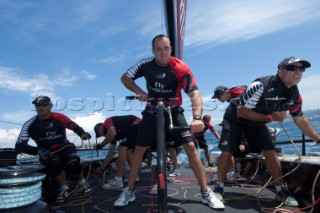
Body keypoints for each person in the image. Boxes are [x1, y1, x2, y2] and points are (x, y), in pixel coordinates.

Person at [115, 34, 224, 210]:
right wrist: (140, 91)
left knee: (190, 146)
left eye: (166, 48)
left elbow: (195, 93)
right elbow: (125, 78)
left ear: (171, 49)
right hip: (152, 110)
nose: (162, 52)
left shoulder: (180, 67)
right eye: (158, 49)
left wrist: (197, 118)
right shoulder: (145, 64)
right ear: (153, 51)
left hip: (173, 110)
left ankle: (205, 192)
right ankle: (129, 190)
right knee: (139, 149)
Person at [214, 56, 320, 207]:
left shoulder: (294, 94)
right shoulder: (261, 85)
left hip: (258, 122)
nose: (297, 72)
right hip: (235, 119)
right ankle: (219, 187)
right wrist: (271, 117)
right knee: (228, 151)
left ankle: (280, 190)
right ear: (280, 71)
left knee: (270, 151)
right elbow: (241, 111)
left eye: (301, 68)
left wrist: (318, 139)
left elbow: (299, 119)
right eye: (291, 68)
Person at [15, 96, 92, 203]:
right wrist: (37, 150)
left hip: (65, 147)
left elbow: (76, 128)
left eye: (44, 104)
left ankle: (82, 182)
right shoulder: (29, 125)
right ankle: (64, 188)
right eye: (38, 105)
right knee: (55, 164)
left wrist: (83, 135)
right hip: (47, 152)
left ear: (50, 106)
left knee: (74, 163)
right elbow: (19, 146)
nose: (41, 107)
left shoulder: (59, 117)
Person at [94, 115, 141, 189]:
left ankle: (118, 181)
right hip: (139, 128)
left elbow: (112, 133)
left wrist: (101, 145)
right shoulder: (115, 135)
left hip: (135, 125)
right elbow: (110, 153)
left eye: (99, 134)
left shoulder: (107, 121)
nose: (102, 136)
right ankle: (134, 176)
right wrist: (102, 168)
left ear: (99, 128)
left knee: (121, 148)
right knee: (128, 151)